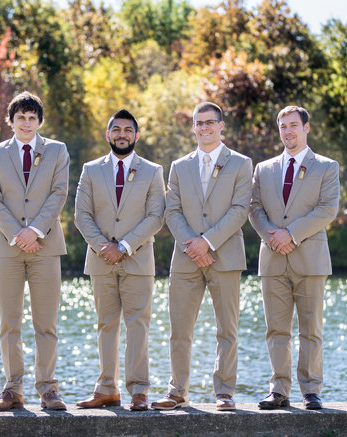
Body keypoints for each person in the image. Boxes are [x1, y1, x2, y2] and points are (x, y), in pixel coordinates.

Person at [151, 102, 252, 411]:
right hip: (185, 258)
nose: (205, 127)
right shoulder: (179, 166)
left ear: (221, 126)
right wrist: (192, 245)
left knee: (227, 330)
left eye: (210, 122)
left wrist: (207, 242)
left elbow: (240, 210)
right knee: (179, 330)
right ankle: (177, 391)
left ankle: (224, 392)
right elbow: (172, 210)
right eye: (199, 123)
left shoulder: (241, 163)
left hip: (226, 255)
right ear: (193, 127)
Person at [248, 105, 339, 410]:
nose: (288, 131)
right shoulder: (264, 169)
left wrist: (292, 234)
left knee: (310, 329)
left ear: (306, 128)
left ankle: (310, 390)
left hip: (310, 260)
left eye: (293, 125)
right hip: (272, 258)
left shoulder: (327, 167)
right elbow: (254, 208)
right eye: (283, 126)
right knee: (276, 330)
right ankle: (279, 390)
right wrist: (273, 236)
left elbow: (327, 209)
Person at [74, 109, 165, 411]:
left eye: (128, 130)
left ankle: (139, 391)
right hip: (101, 260)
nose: (122, 134)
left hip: (138, 259)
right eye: (117, 129)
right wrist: (103, 246)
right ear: (108, 134)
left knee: (138, 325)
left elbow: (156, 216)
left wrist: (123, 246)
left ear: (136, 136)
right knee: (105, 325)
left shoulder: (153, 171)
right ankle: (106, 389)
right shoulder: (91, 169)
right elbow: (81, 215)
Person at [0, 91, 69, 411]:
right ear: (11, 121)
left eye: (32, 118)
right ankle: (12, 389)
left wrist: (34, 232)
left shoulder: (57, 151)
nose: (27, 123)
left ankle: (48, 389)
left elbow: (58, 194)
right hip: (7, 249)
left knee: (46, 323)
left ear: (40, 121)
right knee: (10, 322)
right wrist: (18, 235)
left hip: (46, 246)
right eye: (21, 117)